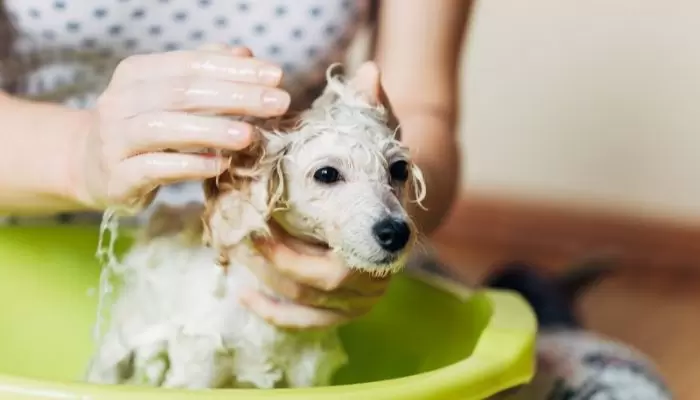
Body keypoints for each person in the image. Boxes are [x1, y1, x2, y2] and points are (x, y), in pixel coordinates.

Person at [0, 1, 671, 398]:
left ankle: (533, 309)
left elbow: (423, 114)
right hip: (27, 229)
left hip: (306, 253)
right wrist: (74, 153)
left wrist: (360, 239)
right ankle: (535, 298)